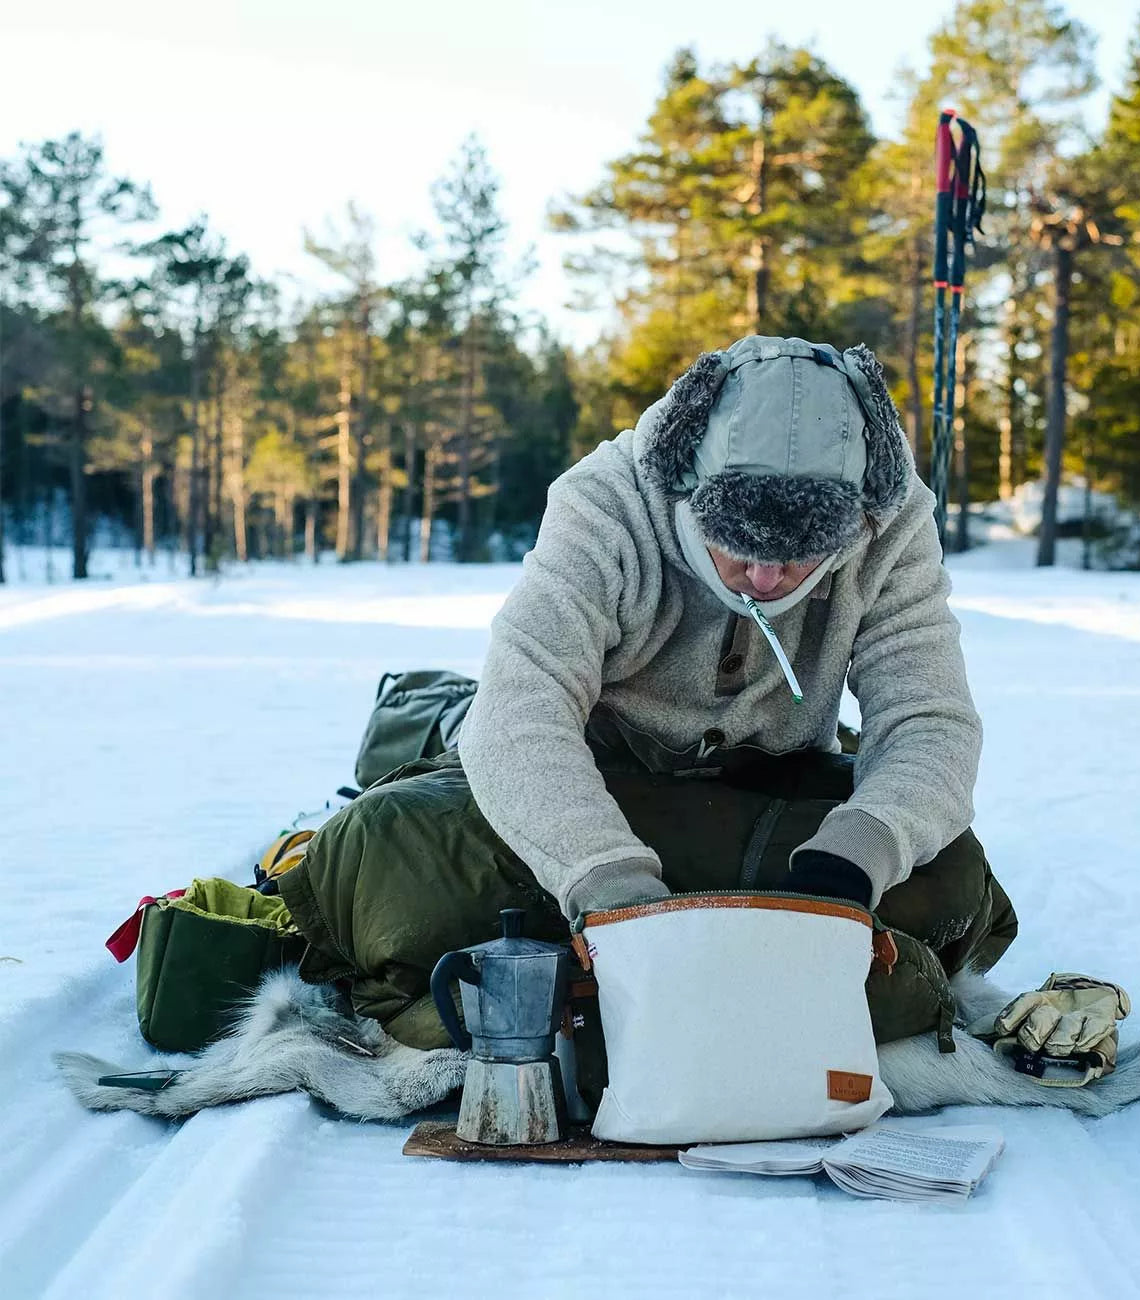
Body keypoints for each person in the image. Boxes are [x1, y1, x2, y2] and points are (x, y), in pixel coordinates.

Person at [279, 336, 1017, 1052]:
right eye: (741, 546)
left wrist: (853, 859)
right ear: (689, 488)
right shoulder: (606, 502)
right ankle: (428, 716)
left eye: (797, 558)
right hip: (596, 773)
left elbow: (930, 720)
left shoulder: (891, 521)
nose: (765, 580)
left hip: (763, 792)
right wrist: (611, 886)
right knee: (389, 851)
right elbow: (522, 714)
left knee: (951, 877)